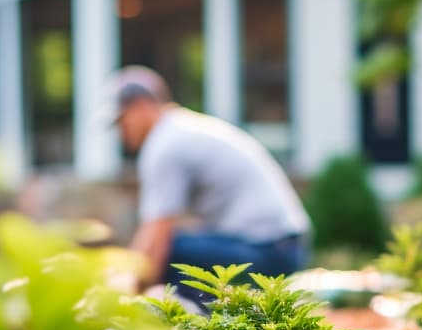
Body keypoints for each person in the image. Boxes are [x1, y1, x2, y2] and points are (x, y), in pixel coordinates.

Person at [108, 66, 311, 308]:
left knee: (173, 252)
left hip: (268, 252)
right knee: (179, 248)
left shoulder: (165, 144)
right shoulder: (183, 128)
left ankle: (206, 328)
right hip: (283, 247)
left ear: (141, 106)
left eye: (122, 120)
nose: (121, 132)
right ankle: (214, 322)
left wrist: (121, 297)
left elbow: (155, 238)